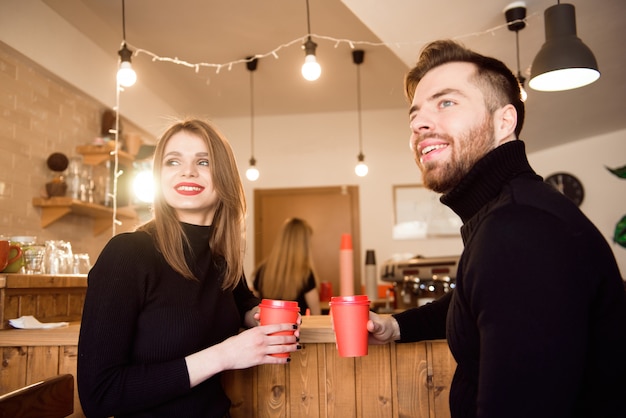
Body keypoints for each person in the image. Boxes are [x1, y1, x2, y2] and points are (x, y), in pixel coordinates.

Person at [367, 40, 626, 417]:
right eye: (415, 115)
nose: (419, 124)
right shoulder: (507, 213)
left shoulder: (519, 229)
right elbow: (478, 301)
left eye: (446, 102)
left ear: (504, 122)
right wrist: (396, 327)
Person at [78, 119, 301, 418]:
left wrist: (258, 316)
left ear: (225, 178)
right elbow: (99, 396)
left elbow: (241, 301)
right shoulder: (127, 254)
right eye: (173, 161)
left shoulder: (221, 257)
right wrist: (223, 356)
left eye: (204, 161)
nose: (188, 171)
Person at [253, 217, 321, 315]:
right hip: (296, 329)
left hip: (268, 328)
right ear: (304, 244)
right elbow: (316, 313)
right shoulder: (306, 274)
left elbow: (254, 307)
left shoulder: (262, 270)